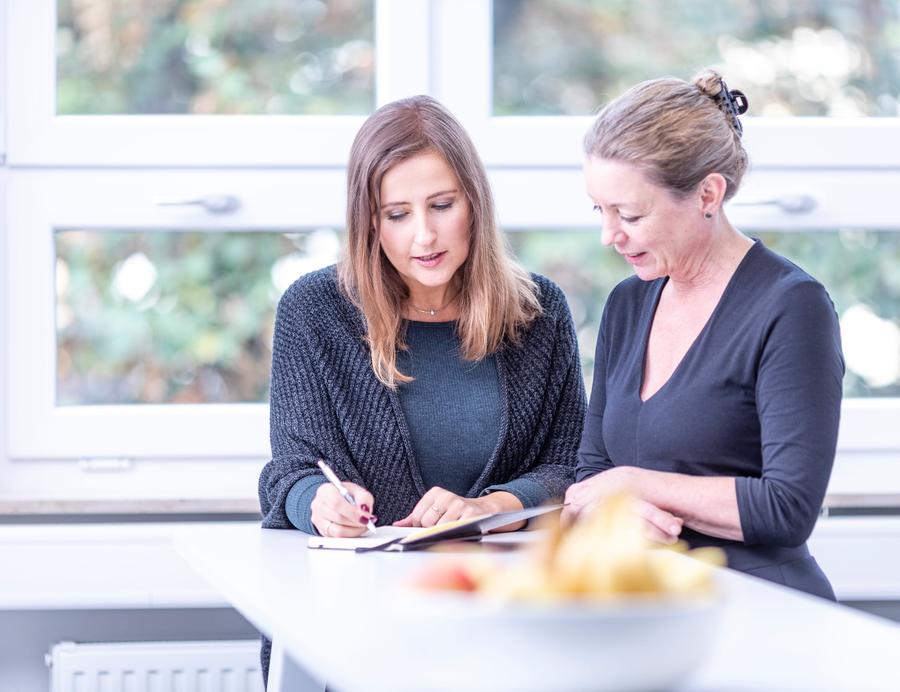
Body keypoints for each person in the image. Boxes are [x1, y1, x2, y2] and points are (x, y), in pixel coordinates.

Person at [257, 95, 586, 680]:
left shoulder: (539, 313)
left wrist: (490, 507)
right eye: (397, 214)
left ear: (474, 202)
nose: (425, 235)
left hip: (505, 619)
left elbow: (571, 469)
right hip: (356, 620)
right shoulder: (314, 310)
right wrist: (321, 504)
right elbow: (290, 472)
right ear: (369, 220)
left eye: (442, 205)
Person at [562, 69, 844, 600]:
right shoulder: (627, 303)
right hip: (648, 604)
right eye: (601, 210)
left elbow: (787, 507)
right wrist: (614, 508)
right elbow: (590, 478)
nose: (608, 235)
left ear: (708, 194)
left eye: (630, 214)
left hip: (764, 608)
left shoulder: (792, 306)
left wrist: (635, 485)